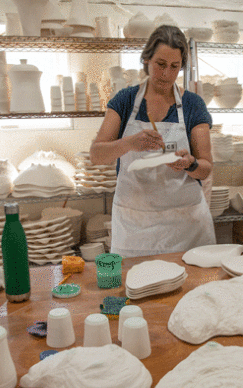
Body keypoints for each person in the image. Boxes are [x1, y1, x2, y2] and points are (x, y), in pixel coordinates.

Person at [90, 25, 216, 258]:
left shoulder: (192, 105)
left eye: (174, 67)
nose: (166, 73)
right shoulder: (125, 100)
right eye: (160, 64)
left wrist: (190, 164)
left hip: (185, 226)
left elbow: (206, 168)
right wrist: (128, 143)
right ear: (146, 59)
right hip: (134, 227)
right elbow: (97, 155)